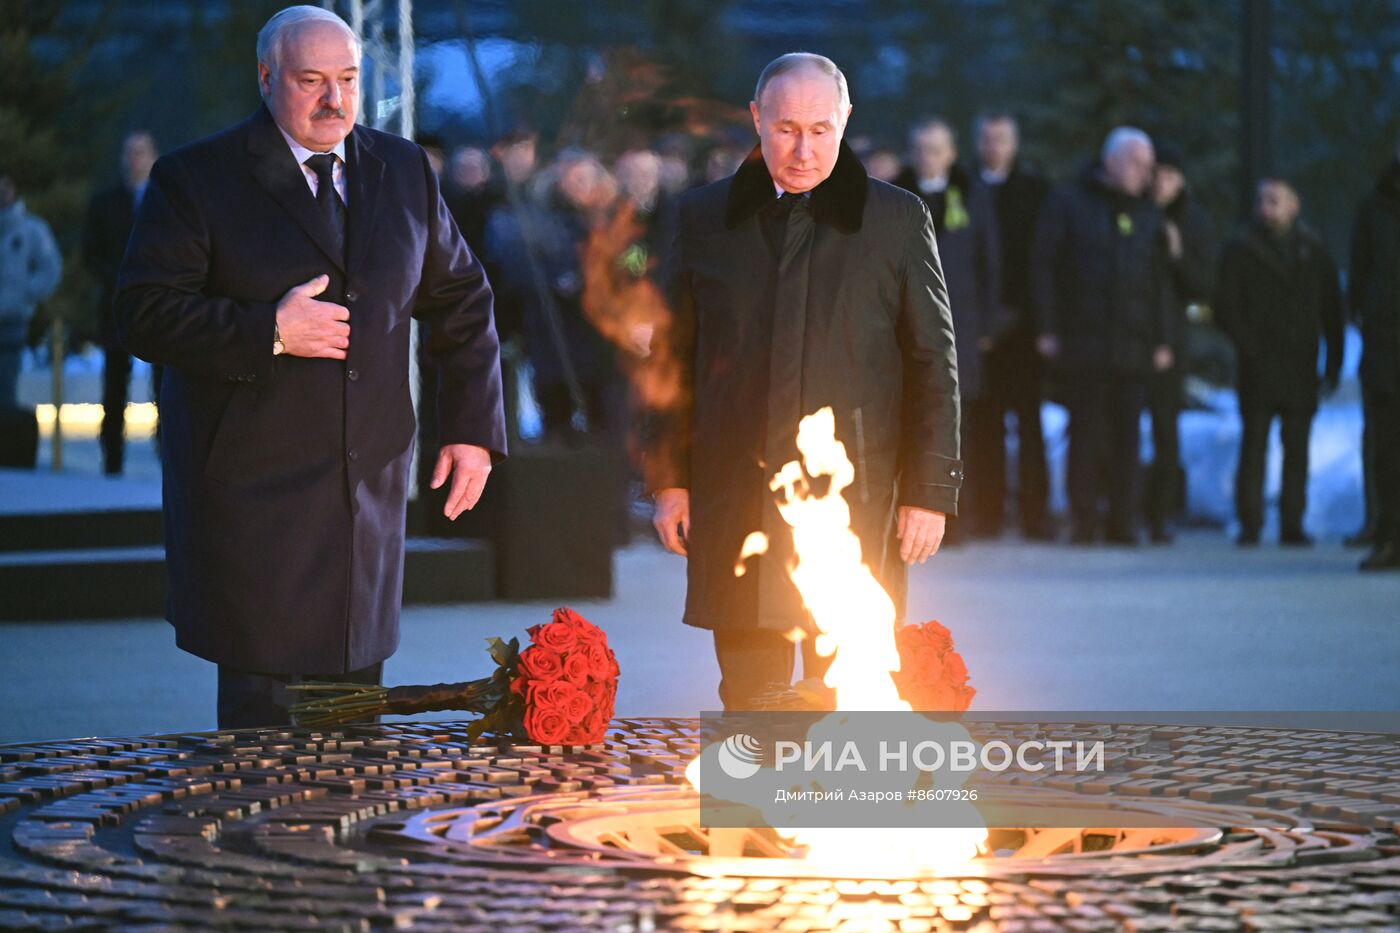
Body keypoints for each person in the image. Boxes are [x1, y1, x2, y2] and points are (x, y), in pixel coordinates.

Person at [115, 5, 507, 728]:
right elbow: (141, 312)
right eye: (312, 81)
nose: (335, 100)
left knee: (356, 729)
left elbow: (462, 299)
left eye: (349, 80)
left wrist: (472, 430)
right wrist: (269, 330)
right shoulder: (196, 179)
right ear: (266, 80)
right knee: (263, 747)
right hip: (252, 503)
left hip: (366, 500)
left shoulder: (402, 167)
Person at [648, 53, 962, 710]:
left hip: (857, 503)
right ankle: (754, 812)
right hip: (736, 496)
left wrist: (930, 491)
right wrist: (670, 481)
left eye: (821, 129)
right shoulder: (702, 218)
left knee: (847, 696)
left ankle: (836, 811)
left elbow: (933, 361)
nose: (803, 149)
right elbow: (670, 362)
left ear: (845, 120)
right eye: (787, 128)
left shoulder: (895, 220)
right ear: (757, 120)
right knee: (750, 699)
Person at [1031, 127, 1175, 545]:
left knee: (1128, 437)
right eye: (1136, 162)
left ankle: (1123, 521)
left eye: (1147, 165)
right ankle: (1084, 520)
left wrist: (1163, 337)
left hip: (1134, 343)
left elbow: (1159, 279)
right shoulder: (1070, 202)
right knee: (1086, 435)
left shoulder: (1148, 212)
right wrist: (1048, 326)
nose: (1143, 172)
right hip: (1083, 340)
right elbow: (1045, 265)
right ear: (1111, 161)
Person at [1215, 179, 1343, 547]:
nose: (1265, 207)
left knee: (1296, 448)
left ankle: (1292, 522)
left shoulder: (1313, 252)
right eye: (1261, 200)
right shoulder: (1241, 249)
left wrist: (1331, 363)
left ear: (1294, 205)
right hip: (1259, 364)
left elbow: (1331, 309)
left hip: (1300, 363)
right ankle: (1250, 522)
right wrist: (1249, 343)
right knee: (1254, 444)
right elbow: (1227, 304)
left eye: (1274, 200)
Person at [894, 118, 999, 541]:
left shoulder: (971, 196)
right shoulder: (896, 196)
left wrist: (988, 323)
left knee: (958, 424)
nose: (928, 157)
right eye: (921, 148)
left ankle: (957, 519)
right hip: (905, 330)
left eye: (937, 149)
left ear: (951, 153)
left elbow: (989, 262)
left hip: (960, 328)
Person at [971, 111, 1053, 540]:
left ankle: (1034, 515)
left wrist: (1024, 314)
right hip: (979, 331)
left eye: (1001, 138)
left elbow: (1042, 258)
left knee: (1029, 424)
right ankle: (987, 513)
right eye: (987, 138)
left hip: (1023, 330)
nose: (994, 146)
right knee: (984, 426)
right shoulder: (965, 188)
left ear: (1014, 143)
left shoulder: (1036, 192)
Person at [1145, 141, 1216, 543]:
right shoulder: (1137, 211)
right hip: (1133, 335)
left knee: (1165, 431)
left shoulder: (1193, 221)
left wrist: (1176, 254)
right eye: (1157, 174)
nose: (1161, 183)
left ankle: (1160, 514)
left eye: (1170, 176)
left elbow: (1203, 285)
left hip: (1171, 337)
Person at [85, 131, 161, 475]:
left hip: (160, 304)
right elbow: (92, 252)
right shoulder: (105, 203)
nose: (135, 159)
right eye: (130, 152)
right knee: (114, 384)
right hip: (117, 305)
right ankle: (112, 457)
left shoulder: (164, 199)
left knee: (165, 384)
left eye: (141, 152)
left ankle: (166, 449)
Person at [1350, 145, 1400, 571]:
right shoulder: (1376, 207)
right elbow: (1361, 268)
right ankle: (1389, 536)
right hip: (1385, 344)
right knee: (1387, 450)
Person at [0, 172, 61, 411]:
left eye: (6, 186)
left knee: (6, 387)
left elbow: (50, 268)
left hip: (14, 319)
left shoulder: (32, 229)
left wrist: (24, 293)